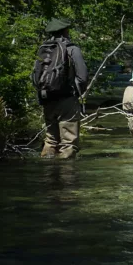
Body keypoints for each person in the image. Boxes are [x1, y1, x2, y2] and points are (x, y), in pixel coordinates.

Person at [32, 18, 88, 159]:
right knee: (68, 142)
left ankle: (48, 172)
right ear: (65, 31)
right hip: (67, 97)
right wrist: (75, 92)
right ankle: (66, 174)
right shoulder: (72, 49)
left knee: (51, 139)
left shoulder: (43, 50)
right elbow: (82, 77)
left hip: (46, 97)